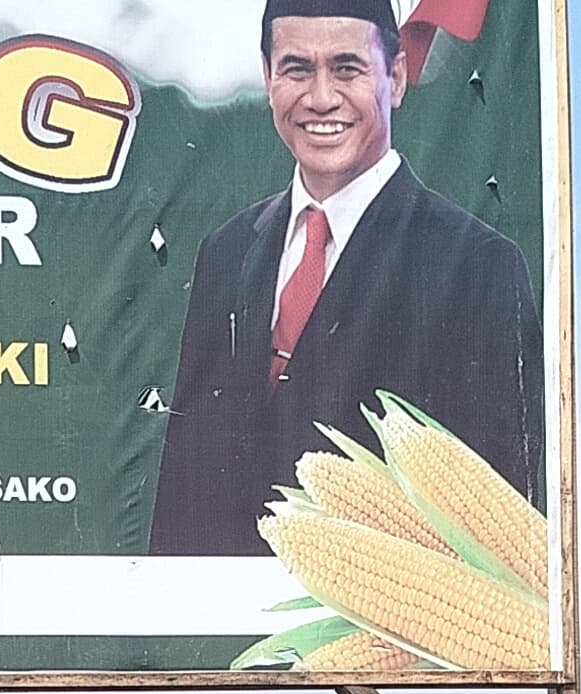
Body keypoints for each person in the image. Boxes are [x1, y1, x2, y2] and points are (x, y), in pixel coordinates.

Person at [147, 0, 544, 554]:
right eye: (296, 69)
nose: (321, 98)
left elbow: (505, 516)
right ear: (268, 79)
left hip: (391, 629)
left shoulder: (475, 265)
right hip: (227, 627)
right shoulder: (228, 252)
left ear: (397, 76)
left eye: (347, 68)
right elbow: (184, 490)